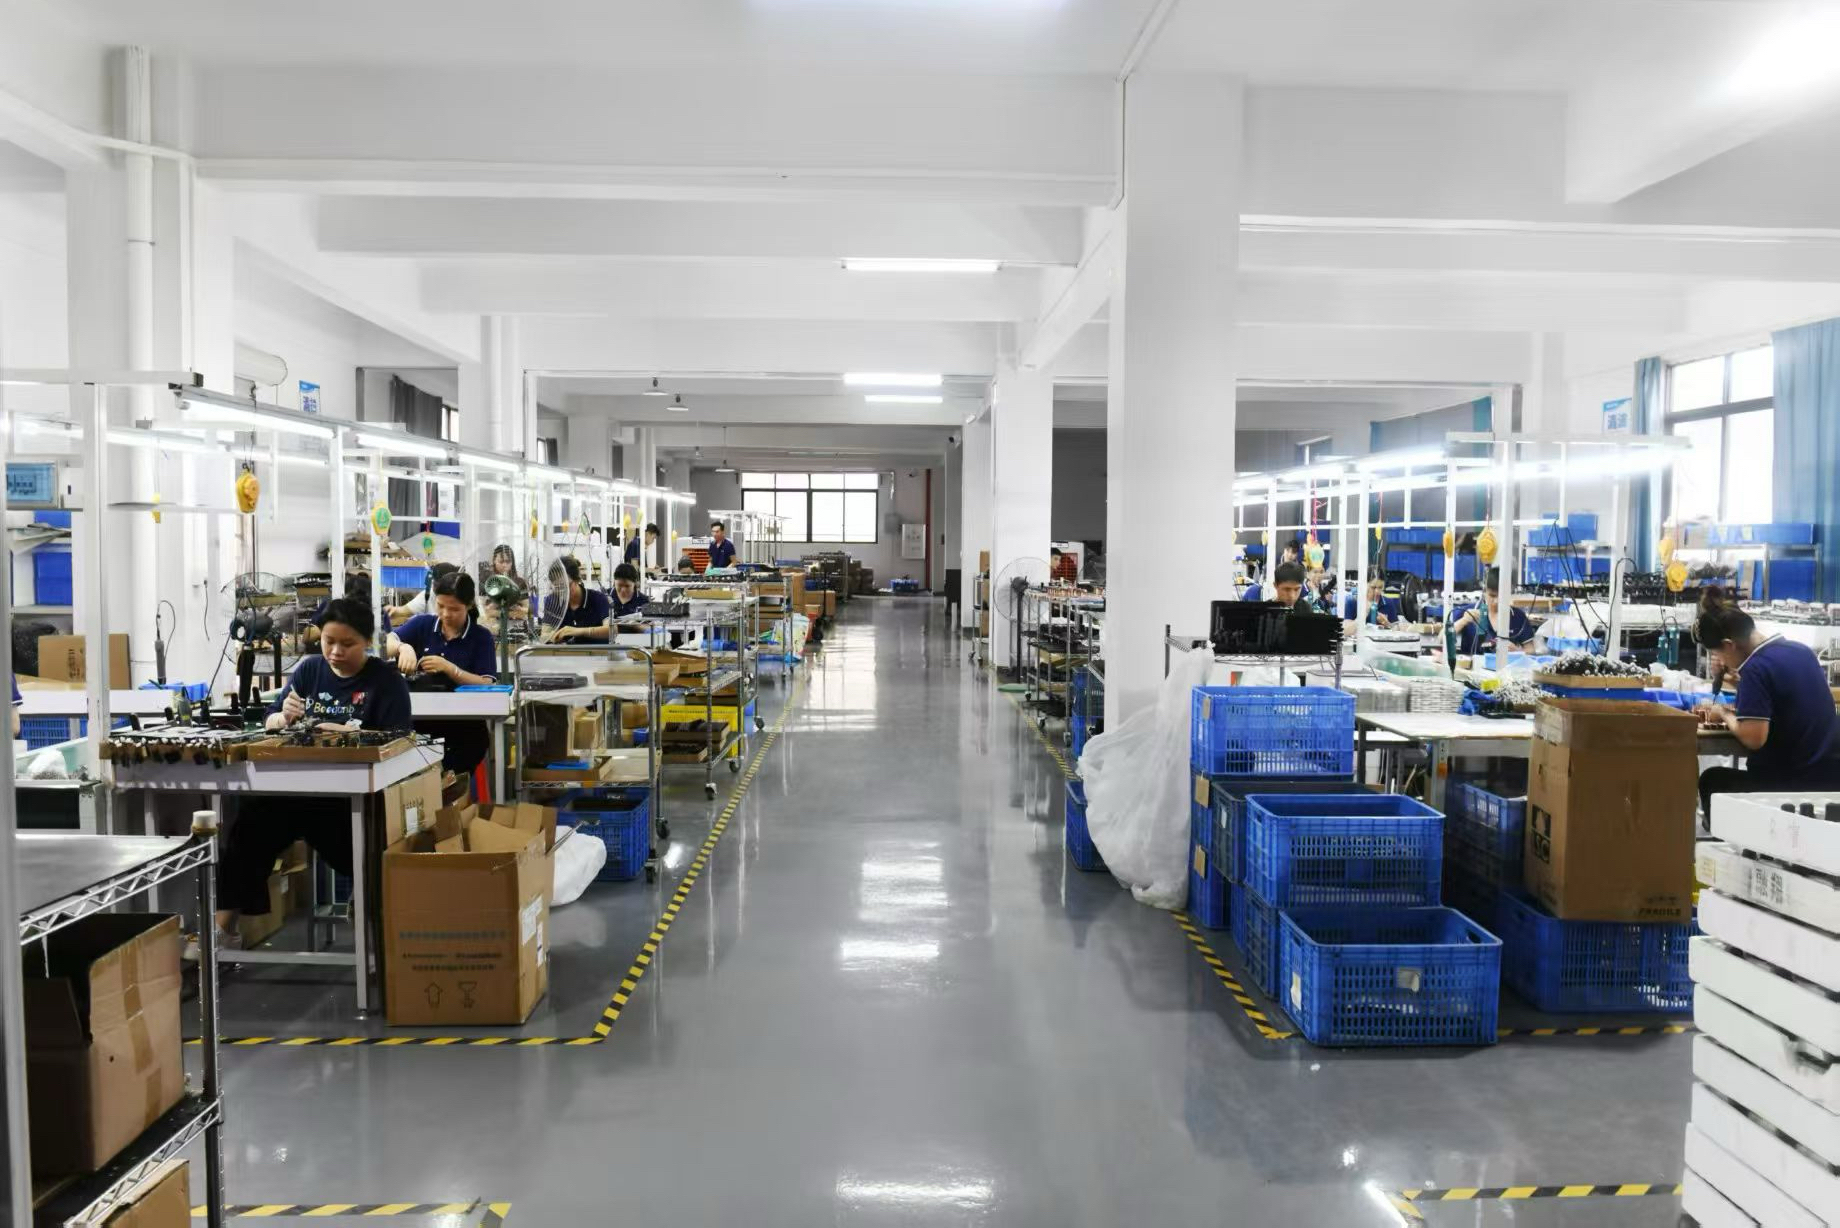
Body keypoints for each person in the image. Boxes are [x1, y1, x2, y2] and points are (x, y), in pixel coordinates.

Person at [212, 599, 411, 949]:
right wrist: (282, 718)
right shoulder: (310, 671)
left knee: (365, 850)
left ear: (367, 641)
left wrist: (346, 733)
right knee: (248, 830)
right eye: (328, 641)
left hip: (351, 802)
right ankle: (223, 931)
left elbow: (400, 740)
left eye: (347, 644)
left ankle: (372, 910)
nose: (335, 652)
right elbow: (271, 720)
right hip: (297, 794)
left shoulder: (386, 681)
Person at [1695, 602, 1840, 814]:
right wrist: (1741, 685)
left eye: (1719, 654)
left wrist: (1723, 713)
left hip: (1791, 782)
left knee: (1712, 780)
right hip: (1830, 776)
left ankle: (1746, 833)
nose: (1722, 662)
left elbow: (1754, 738)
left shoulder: (1755, 669)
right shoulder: (1801, 651)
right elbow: (1783, 697)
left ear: (1729, 645)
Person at [390, 571, 497, 773]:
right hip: (419, 728)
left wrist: (450, 669)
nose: (446, 614)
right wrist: (402, 647)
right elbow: (383, 643)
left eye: (454, 609)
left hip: (464, 731)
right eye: (440, 606)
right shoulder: (422, 625)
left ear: (469, 605)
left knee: (452, 773)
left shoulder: (480, 637)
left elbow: (486, 683)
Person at [1449, 567, 1534, 654]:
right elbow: (1443, 638)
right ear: (1484, 591)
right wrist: (1463, 621)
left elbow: (1531, 650)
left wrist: (1517, 651)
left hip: (1506, 662)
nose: (1496, 601)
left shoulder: (1518, 616)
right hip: (1473, 662)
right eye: (1492, 595)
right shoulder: (1468, 611)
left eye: (1501, 596)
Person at [541, 555, 611, 641]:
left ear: (577, 580)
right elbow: (544, 635)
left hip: (595, 649)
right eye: (557, 587)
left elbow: (611, 630)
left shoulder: (598, 599)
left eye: (565, 586)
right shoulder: (552, 601)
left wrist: (577, 631)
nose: (562, 592)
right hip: (564, 649)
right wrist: (553, 637)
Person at [385, 561, 459, 625]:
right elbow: (403, 610)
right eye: (433, 582)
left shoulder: (460, 597)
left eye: (436, 583)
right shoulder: (429, 594)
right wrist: (393, 611)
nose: (433, 585)